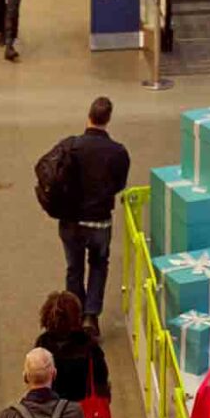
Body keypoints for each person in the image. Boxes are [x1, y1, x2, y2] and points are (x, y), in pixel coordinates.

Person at [48, 96, 131, 323]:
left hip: (71, 221)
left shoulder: (71, 146)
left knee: (73, 268)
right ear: (108, 119)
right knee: (98, 265)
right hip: (100, 222)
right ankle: (91, 317)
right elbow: (119, 185)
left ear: (89, 116)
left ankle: (74, 316)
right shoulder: (118, 152)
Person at [36, 290, 110, 402]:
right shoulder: (89, 347)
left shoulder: (42, 345)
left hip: (49, 412)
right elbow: (101, 384)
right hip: (82, 411)